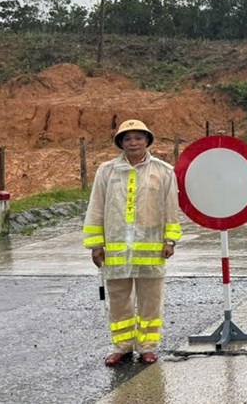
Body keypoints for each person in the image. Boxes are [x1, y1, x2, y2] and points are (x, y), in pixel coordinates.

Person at [82, 119, 182, 367]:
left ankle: (147, 347)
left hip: (151, 249)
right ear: (120, 143)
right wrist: (96, 245)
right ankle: (122, 346)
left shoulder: (163, 171)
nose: (133, 143)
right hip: (116, 251)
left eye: (138, 137)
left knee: (151, 300)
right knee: (118, 301)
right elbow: (96, 208)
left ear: (147, 140)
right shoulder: (106, 171)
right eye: (127, 139)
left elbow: (171, 208)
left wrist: (170, 240)